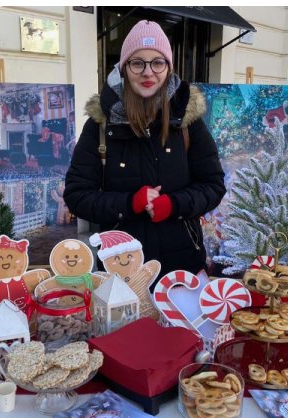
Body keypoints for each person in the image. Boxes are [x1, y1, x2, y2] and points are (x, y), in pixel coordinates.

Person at [64, 20, 225, 278]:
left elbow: (213, 186)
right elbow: (77, 195)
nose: (148, 72)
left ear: (169, 68)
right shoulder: (100, 125)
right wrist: (129, 202)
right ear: (124, 68)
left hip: (182, 269)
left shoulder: (188, 122)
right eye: (137, 62)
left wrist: (174, 204)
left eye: (157, 62)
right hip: (121, 270)